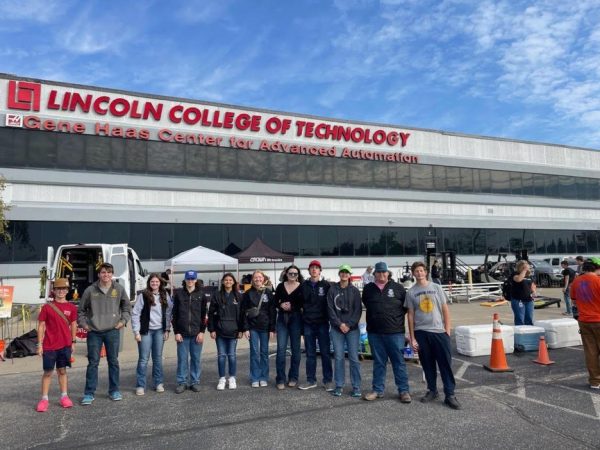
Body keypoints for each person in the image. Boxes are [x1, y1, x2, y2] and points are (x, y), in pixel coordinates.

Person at [406, 261, 461, 410]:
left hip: (438, 331)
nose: (419, 273)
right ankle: (432, 390)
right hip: (421, 333)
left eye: (422, 270)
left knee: (445, 364)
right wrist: (412, 337)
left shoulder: (436, 288)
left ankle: (450, 394)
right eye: (416, 271)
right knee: (427, 364)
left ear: (426, 272)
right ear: (413, 273)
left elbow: (445, 310)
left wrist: (447, 331)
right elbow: (410, 316)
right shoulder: (411, 292)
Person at [78, 263, 131, 405]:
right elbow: (81, 311)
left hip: (112, 331)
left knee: (113, 362)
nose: (106, 275)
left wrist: (122, 321)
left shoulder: (118, 289)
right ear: (98, 274)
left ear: (112, 274)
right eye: (103, 272)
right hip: (94, 332)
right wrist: (85, 325)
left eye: (108, 272)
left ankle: (114, 391)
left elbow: (126, 307)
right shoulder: (90, 290)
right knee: (93, 363)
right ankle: (89, 393)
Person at [361, 261, 411, 403]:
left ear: (388, 273)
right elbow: (366, 304)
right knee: (378, 362)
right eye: (379, 272)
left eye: (384, 272)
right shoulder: (368, 289)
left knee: (398, 362)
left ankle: (403, 391)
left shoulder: (398, 288)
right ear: (374, 273)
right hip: (375, 333)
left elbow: (405, 308)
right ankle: (377, 390)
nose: (381, 274)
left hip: (395, 333)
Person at [35, 278, 78, 412]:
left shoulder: (71, 307)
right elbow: (41, 326)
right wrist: (40, 344)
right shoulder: (47, 307)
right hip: (49, 346)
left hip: (65, 345)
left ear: (67, 291)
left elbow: (73, 325)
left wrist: (73, 341)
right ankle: (44, 399)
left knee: (62, 370)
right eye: (58, 289)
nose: (61, 291)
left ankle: (64, 396)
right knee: (48, 372)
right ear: (54, 291)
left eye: (64, 289)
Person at [131, 273, 173, 396]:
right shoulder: (143, 295)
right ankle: (140, 385)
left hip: (160, 331)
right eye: (152, 282)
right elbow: (135, 314)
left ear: (160, 283)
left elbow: (169, 313)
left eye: (157, 282)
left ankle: (158, 383)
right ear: (149, 283)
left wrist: (167, 330)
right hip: (146, 332)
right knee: (143, 359)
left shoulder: (165, 295)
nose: (154, 284)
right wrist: (136, 331)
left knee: (158, 358)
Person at [327, 264, 362, 398]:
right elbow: (330, 309)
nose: (344, 274)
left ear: (350, 274)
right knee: (339, 357)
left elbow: (358, 310)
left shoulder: (354, 291)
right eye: (342, 272)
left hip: (352, 329)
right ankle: (339, 385)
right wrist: (339, 324)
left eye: (347, 272)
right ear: (339, 273)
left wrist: (348, 324)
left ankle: (356, 386)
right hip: (337, 329)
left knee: (354, 358)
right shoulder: (332, 290)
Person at [299, 260, 333, 391]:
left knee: (325, 353)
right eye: (312, 268)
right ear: (309, 271)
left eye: (316, 268)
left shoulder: (326, 285)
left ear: (320, 271)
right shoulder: (303, 286)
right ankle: (311, 380)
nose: (314, 270)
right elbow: (298, 303)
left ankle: (328, 380)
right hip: (308, 324)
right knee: (310, 354)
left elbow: (331, 304)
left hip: (323, 324)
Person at [172, 270, 207, 394]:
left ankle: (194, 381)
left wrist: (202, 331)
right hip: (182, 334)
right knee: (182, 359)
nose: (190, 281)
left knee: (196, 358)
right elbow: (174, 315)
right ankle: (182, 382)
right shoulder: (179, 294)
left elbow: (204, 316)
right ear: (185, 280)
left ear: (196, 280)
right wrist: (176, 332)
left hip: (197, 333)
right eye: (188, 279)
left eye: (192, 279)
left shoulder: (201, 295)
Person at [208, 273, 243, 390]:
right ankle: (222, 379)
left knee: (232, 356)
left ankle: (232, 378)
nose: (228, 282)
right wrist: (211, 329)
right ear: (223, 282)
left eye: (230, 280)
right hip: (220, 331)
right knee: (221, 356)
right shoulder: (216, 295)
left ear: (234, 282)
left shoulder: (238, 296)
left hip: (234, 331)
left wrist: (241, 329)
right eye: (226, 280)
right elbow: (211, 314)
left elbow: (242, 315)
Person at [570, 257, 600, 389]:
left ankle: (595, 381)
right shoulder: (598, 281)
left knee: (591, 352)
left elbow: (574, 301)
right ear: (597, 268)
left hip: (584, 321)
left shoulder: (576, 281)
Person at [242, 270, 277, 387]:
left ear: (264, 279)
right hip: (253, 327)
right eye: (255, 277)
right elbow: (243, 312)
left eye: (260, 277)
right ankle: (254, 378)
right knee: (254, 353)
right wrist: (245, 328)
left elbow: (272, 311)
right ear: (252, 279)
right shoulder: (247, 294)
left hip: (265, 327)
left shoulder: (268, 293)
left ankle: (263, 377)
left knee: (264, 353)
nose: (258, 279)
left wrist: (272, 329)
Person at [274, 265, 304, 389]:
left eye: (295, 274)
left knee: (296, 350)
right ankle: (280, 378)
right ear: (286, 273)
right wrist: (281, 305)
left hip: (296, 319)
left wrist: (292, 307)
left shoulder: (302, 287)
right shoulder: (280, 286)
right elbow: (274, 301)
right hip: (282, 319)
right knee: (281, 349)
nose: (292, 275)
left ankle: (293, 377)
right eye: (290, 273)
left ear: (298, 275)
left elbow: (304, 303)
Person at [508, 260, 537, 326]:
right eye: (523, 267)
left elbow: (532, 285)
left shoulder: (529, 276)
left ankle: (529, 332)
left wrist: (534, 291)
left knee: (529, 318)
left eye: (526, 267)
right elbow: (518, 279)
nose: (526, 268)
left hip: (529, 300)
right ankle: (520, 334)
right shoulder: (515, 274)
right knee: (520, 319)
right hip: (518, 300)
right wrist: (524, 270)